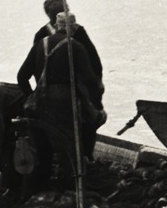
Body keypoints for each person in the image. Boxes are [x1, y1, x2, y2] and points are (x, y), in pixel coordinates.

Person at [16, 12, 103, 183]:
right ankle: (72, 188)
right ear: (74, 28)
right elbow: (90, 80)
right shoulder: (75, 46)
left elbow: (21, 76)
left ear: (56, 26)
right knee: (71, 148)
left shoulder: (41, 43)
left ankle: (40, 189)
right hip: (64, 103)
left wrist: (30, 97)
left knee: (43, 148)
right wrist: (97, 106)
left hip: (41, 103)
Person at [34, 0, 103, 78]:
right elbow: (93, 57)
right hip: (58, 81)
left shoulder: (78, 31)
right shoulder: (42, 34)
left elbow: (92, 56)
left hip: (73, 81)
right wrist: (98, 79)